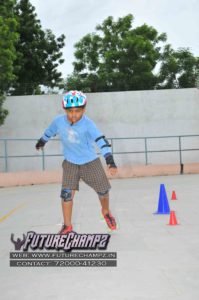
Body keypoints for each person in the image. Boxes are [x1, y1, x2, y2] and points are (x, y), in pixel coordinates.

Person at [35, 90, 117, 234]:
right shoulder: (58, 121)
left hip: (90, 162)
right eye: (70, 111)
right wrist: (42, 141)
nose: (74, 115)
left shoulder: (88, 124)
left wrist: (110, 160)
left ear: (84, 109)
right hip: (70, 163)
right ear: (64, 110)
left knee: (103, 191)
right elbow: (50, 131)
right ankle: (67, 226)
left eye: (78, 111)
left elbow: (100, 140)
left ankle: (105, 212)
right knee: (66, 194)